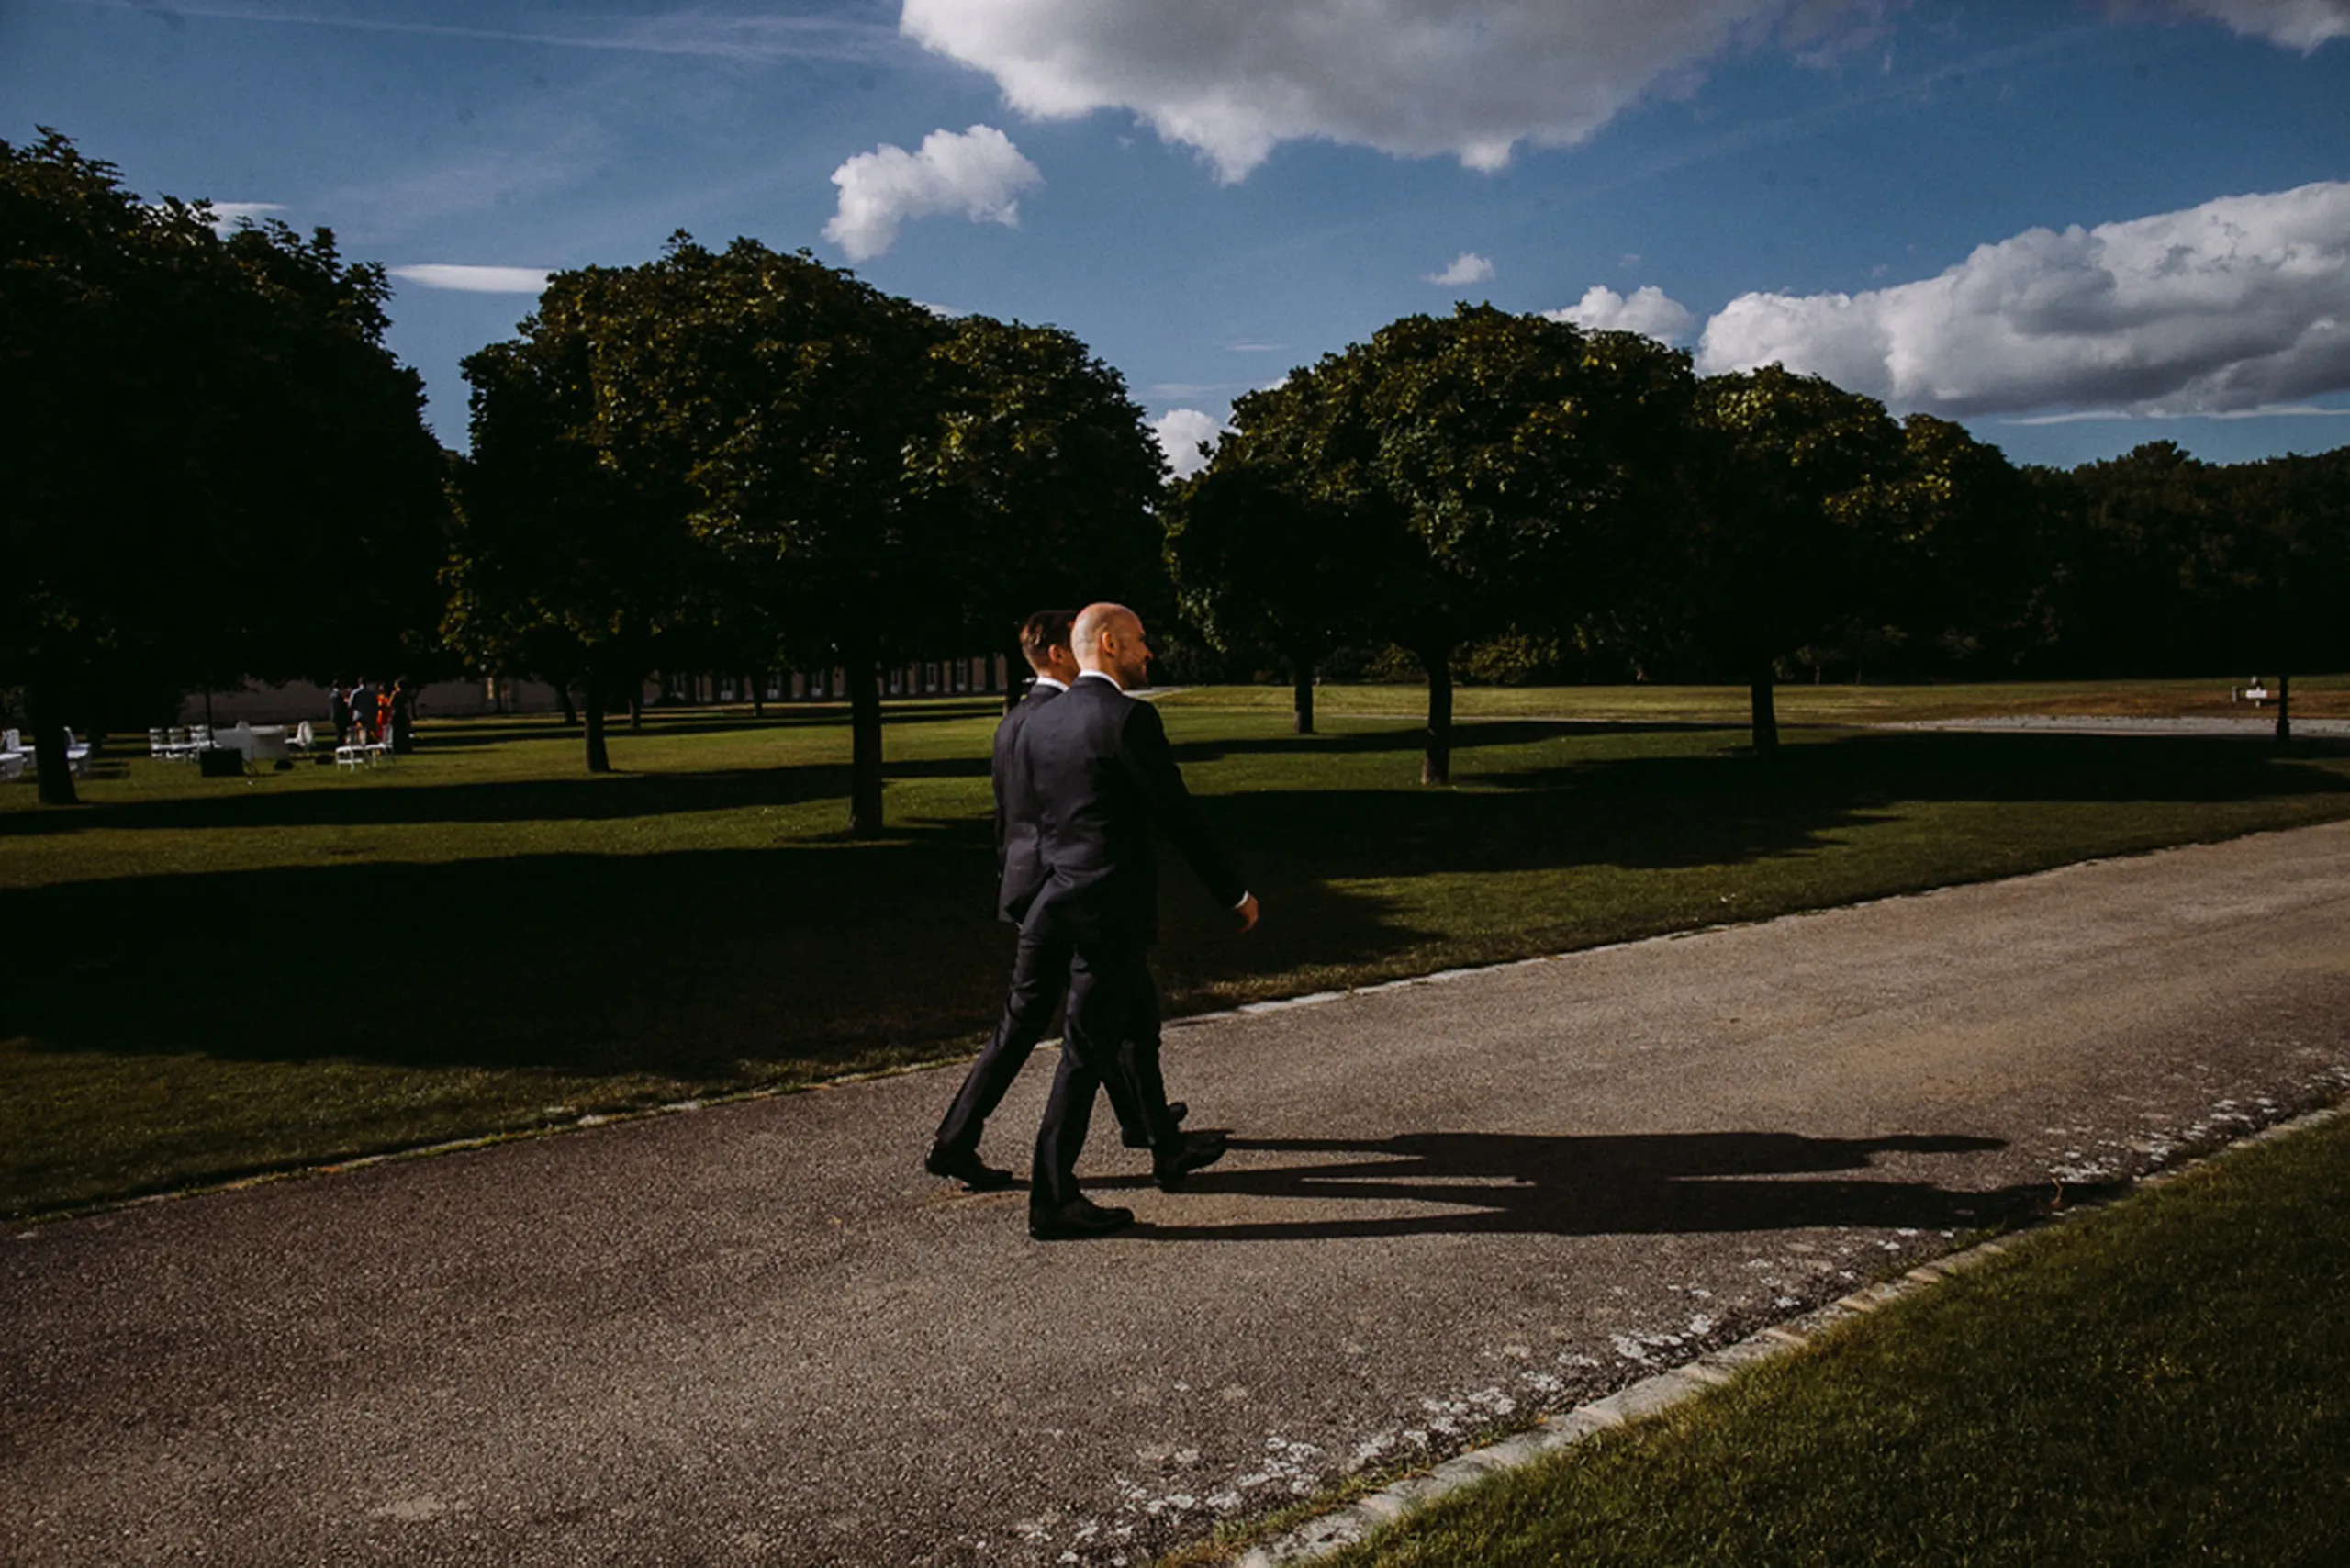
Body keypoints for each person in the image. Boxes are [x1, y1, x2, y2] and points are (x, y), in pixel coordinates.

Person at [1017, 602, 1259, 1240]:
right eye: (1140, 641)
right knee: (1083, 1053)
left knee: (1138, 1022)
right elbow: (1178, 816)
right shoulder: (1128, 718)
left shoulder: (1040, 721)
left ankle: (1166, 1147)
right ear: (1108, 643)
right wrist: (1233, 894)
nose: (1148, 652)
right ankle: (1053, 1198)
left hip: (1058, 902)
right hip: (1107, 914)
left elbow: (1039, 824)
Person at [925, 612, 1180, 1193]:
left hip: (1030, 886)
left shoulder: (1014, 721)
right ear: (1063, 653)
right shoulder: (1064, 720)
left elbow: (1007, 820)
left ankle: (961, 1136)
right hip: (1070, 891)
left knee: (1065, 1019)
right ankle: (1144, 1132)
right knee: (1109, 1016)